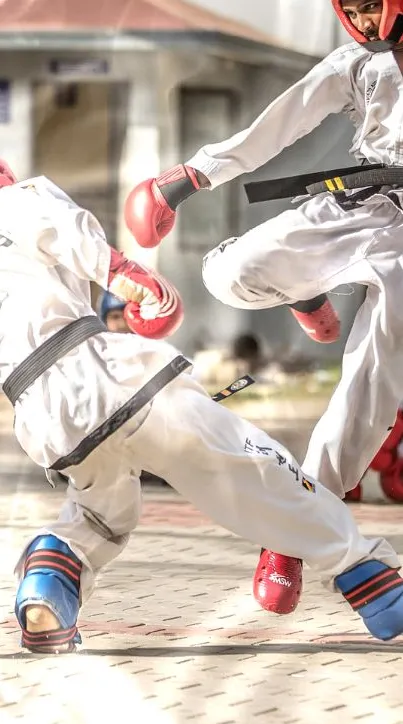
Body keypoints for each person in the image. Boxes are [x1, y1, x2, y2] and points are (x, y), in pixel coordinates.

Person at [0, 162, 401, 652]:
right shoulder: (20, 198)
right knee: (251, 466)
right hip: (102, 372)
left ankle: (46, 590)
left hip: (41, 413)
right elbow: (71, 234)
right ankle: (375, 583)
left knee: (99, 511)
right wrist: (140, 287)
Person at [125, 0, 403, 615]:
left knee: (369, 394)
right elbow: (280, 122)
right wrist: (186, 179)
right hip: (363, 207)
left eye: (368, 4)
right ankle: (304, 290)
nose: (358, 17)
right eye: (349, 6)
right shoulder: (358, 65)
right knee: (232, 273)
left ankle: (292, 535)